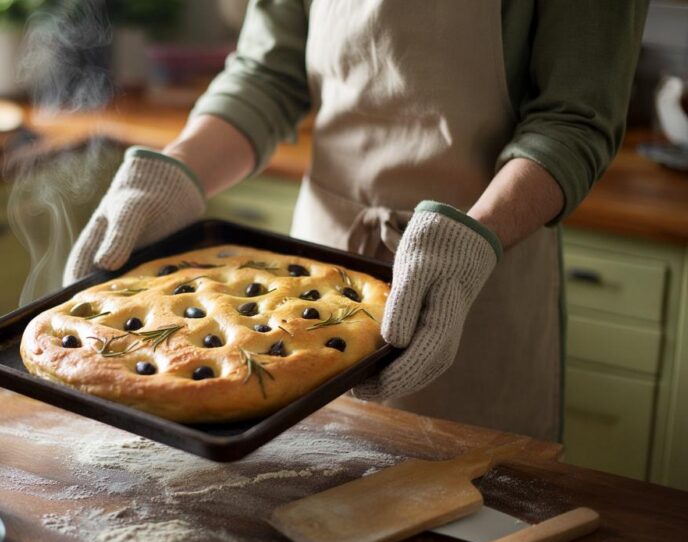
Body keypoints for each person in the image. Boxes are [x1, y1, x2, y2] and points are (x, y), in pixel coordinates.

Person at [64, 0, 648, 441]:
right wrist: (179, 170)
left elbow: (574, 121)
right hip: (313, 269)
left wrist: (480, 235)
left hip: (478, 267)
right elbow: (269, 73)